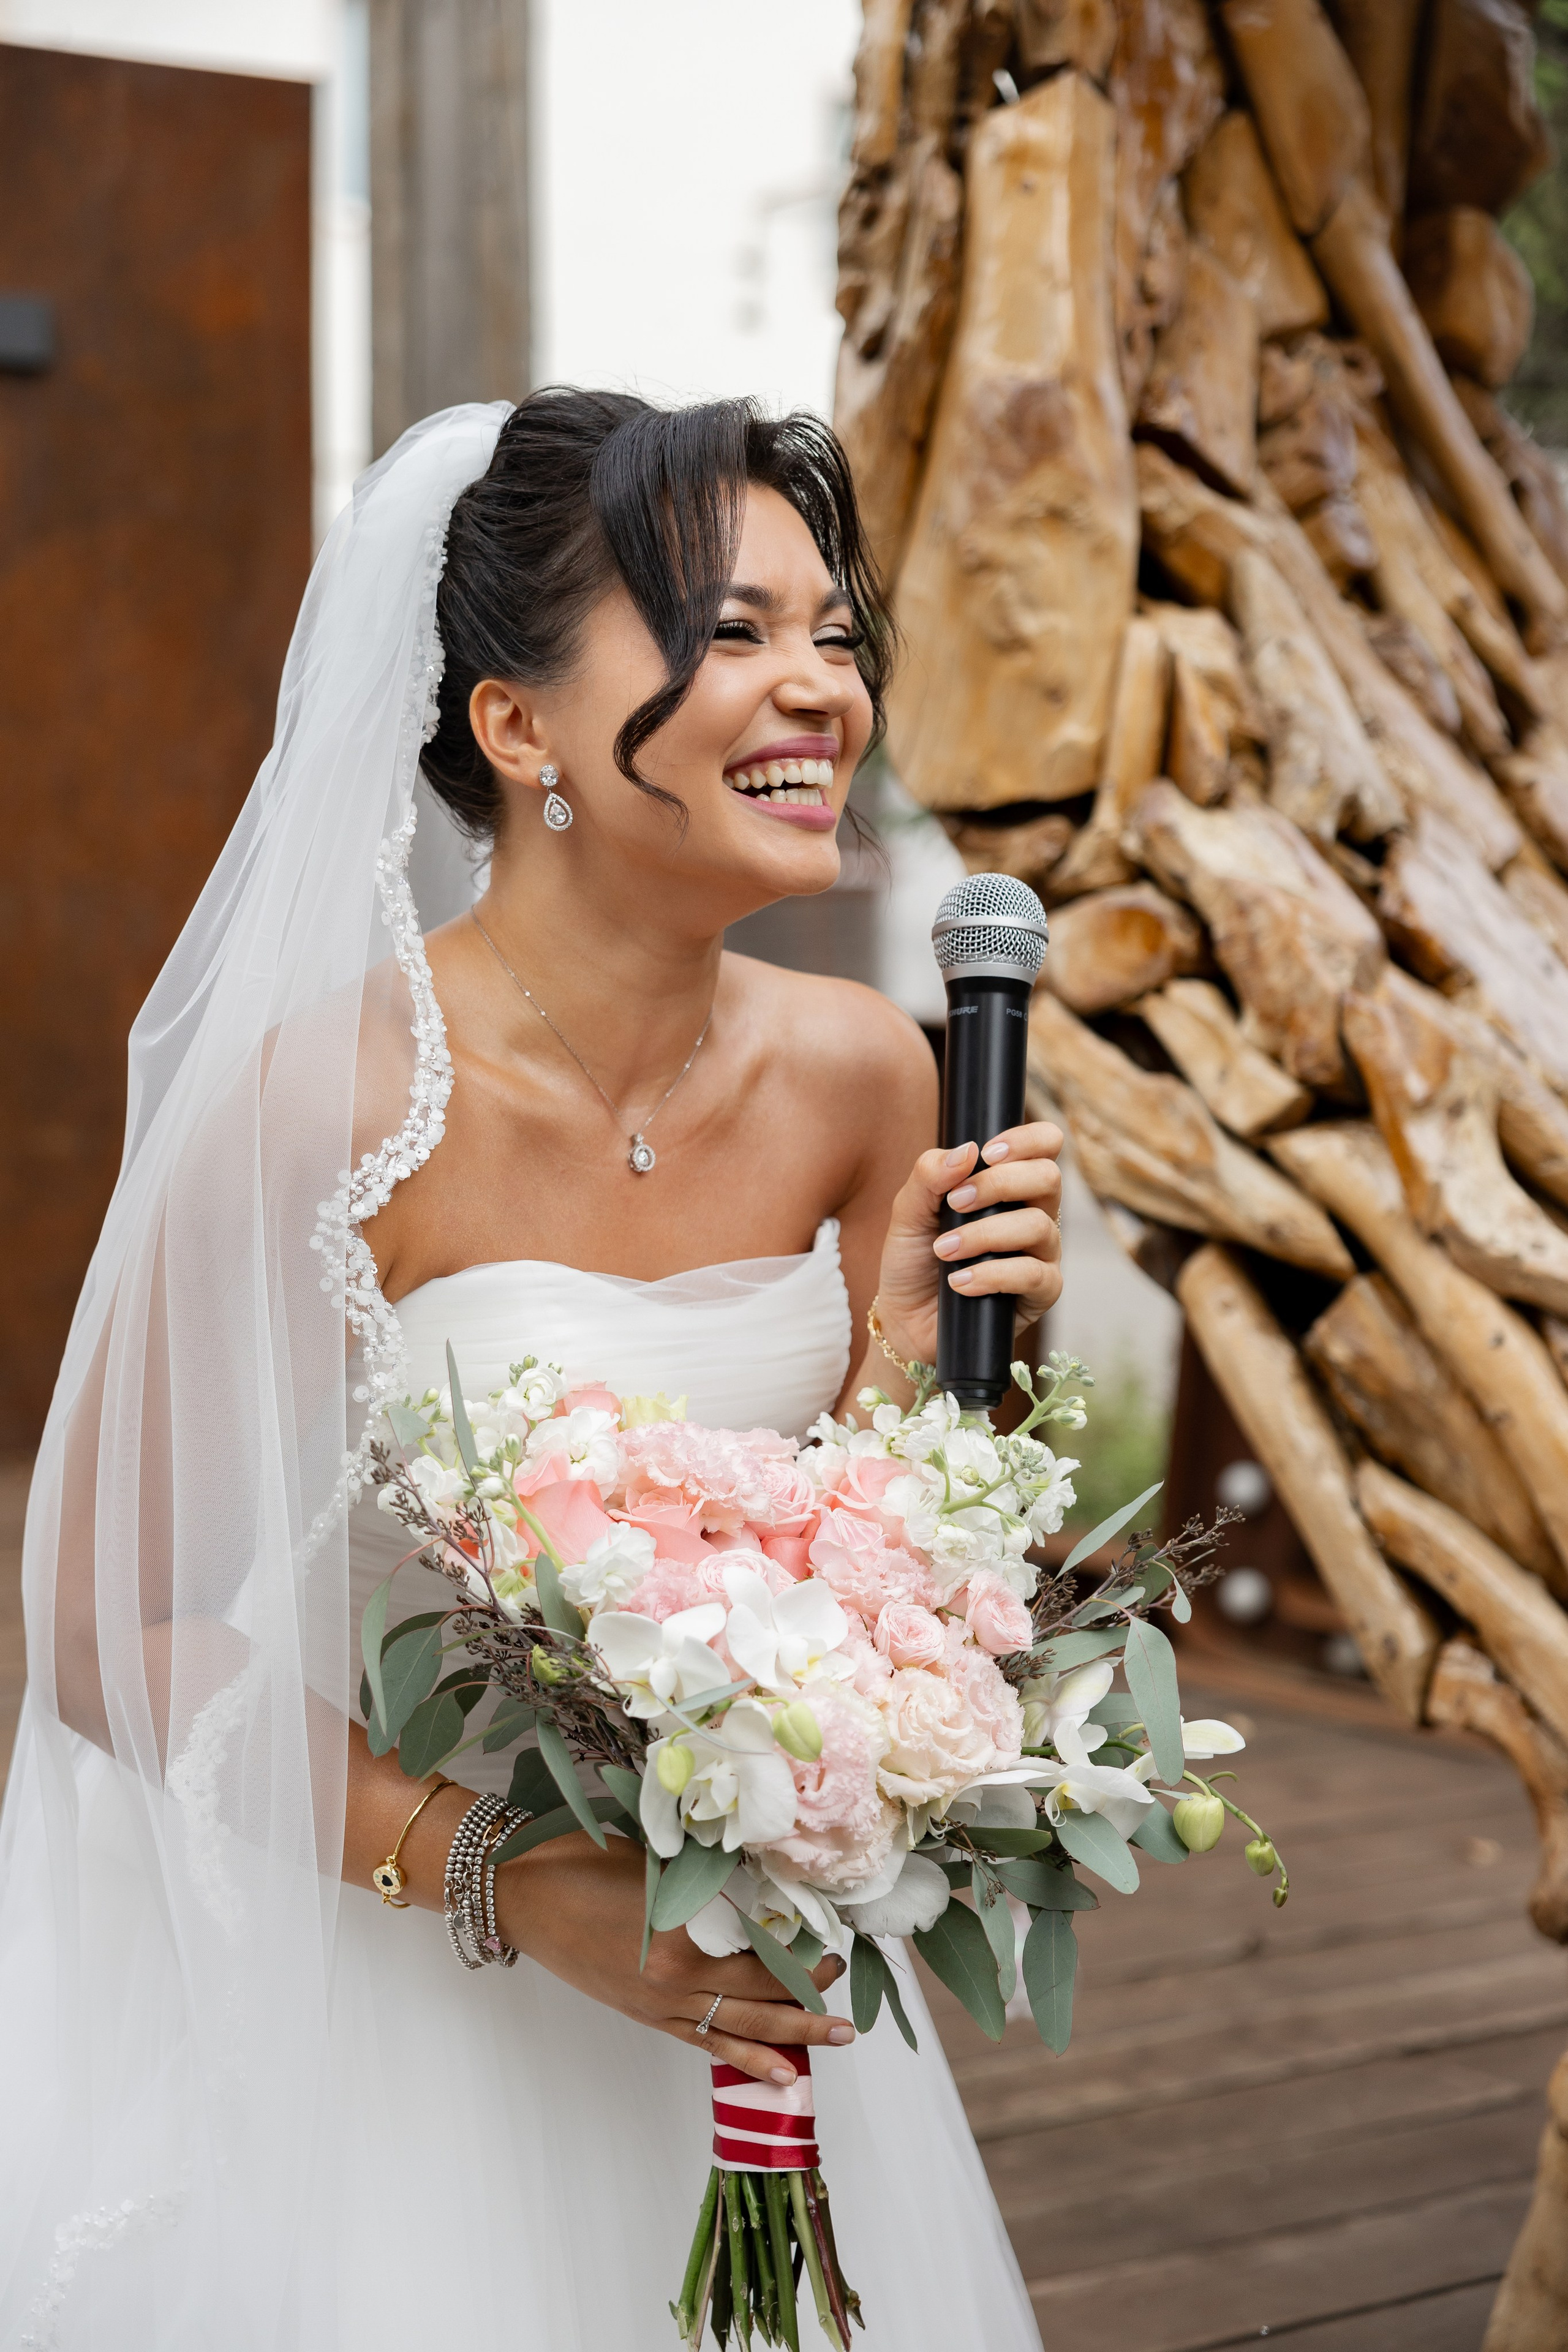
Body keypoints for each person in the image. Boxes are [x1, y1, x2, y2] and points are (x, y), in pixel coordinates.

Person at [0, 392, 1062, 2350]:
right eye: (730, 632)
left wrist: (927, 1354)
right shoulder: (327, 1102)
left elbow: (875, 1577)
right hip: (396, 1989)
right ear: (518, 728)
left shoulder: (871, 1074)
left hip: (748, 1980)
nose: (818, 686)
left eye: (832, 632)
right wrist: (511, 1878)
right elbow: (97, 1622)